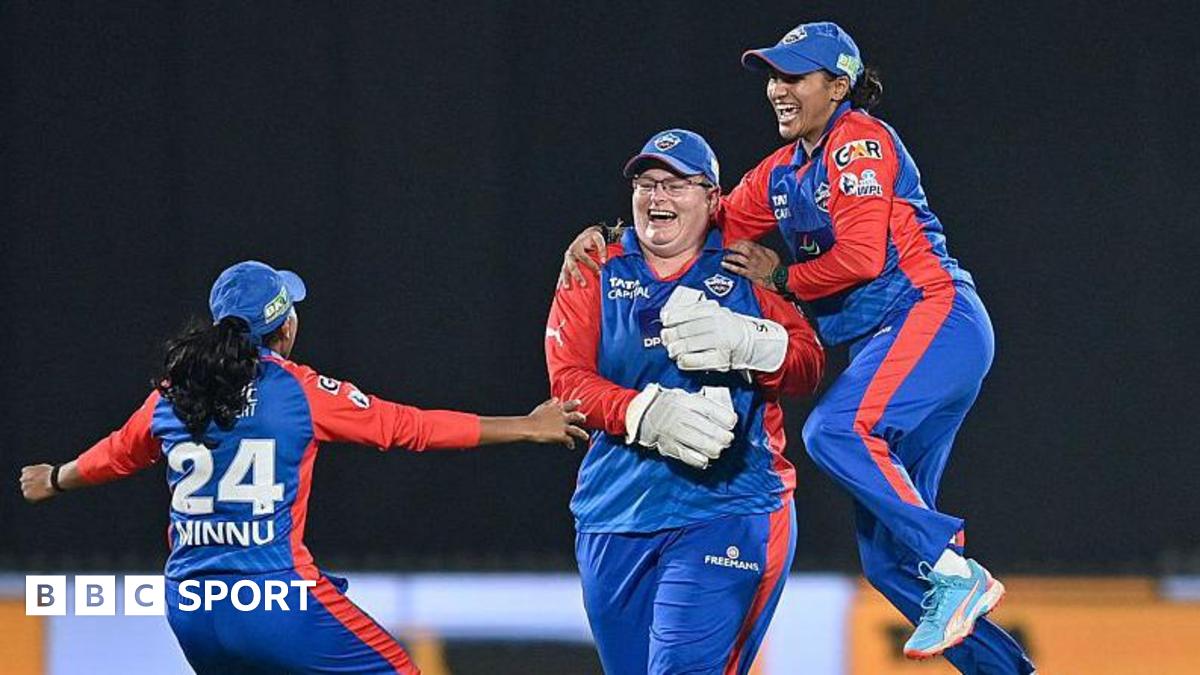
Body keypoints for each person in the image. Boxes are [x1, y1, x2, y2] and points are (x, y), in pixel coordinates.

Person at [557, 22, 1036, 674]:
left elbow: (862, 258)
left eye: (795, 76)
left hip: (935, 316)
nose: (778, 89)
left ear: (839, 86)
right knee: (890, 562)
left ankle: (955, 567)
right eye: (773, 77)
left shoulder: (858, 141)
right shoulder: (784, 172)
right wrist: (611, 235)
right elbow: (709, 216)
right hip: (890, 341)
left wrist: (781, 276)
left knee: (835, 431)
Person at [20, 260, 588, 675]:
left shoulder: (172, 392)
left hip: (191, 610)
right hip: (273, 602)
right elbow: (408, 428)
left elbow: (119, 453)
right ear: (284, 327)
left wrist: (56, 478)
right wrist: (526, 425)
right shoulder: (298, 391)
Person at [546, 129, 825, 674]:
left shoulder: (746, 266)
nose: (658, 197)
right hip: (615, 513)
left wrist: (752, 343)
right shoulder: (596, 265)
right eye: (647, 184)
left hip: (729, 507)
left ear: (713, 197)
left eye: (676, 185)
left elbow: (808, 365)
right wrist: (645, 414)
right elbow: (568, 382)